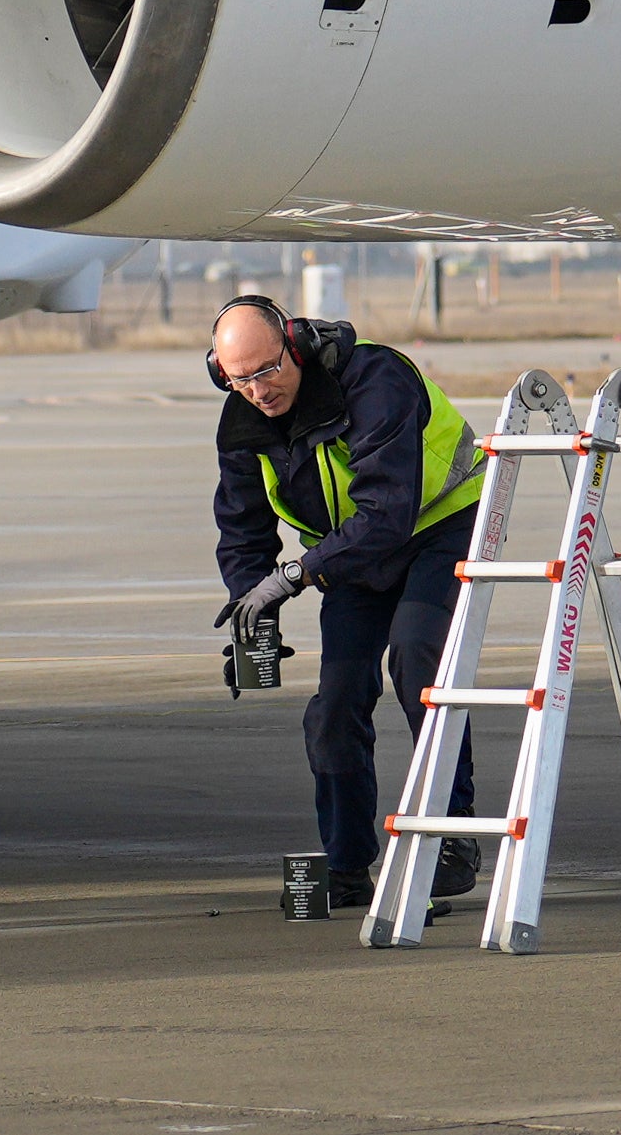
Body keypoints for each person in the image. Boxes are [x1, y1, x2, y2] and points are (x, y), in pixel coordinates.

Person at [207, 291, 483, 913]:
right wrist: (255, 616)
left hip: (437, 530)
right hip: (348, 557)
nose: (259, 389)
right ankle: (349, 864)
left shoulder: (378, 378)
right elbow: (243, 528)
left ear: (295, 347)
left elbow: (386, 513)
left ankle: (452, 838)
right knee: (335, 706)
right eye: (240, 378)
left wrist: (299, 573)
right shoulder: (244, 418)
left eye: (268, 369)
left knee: (419, 662)